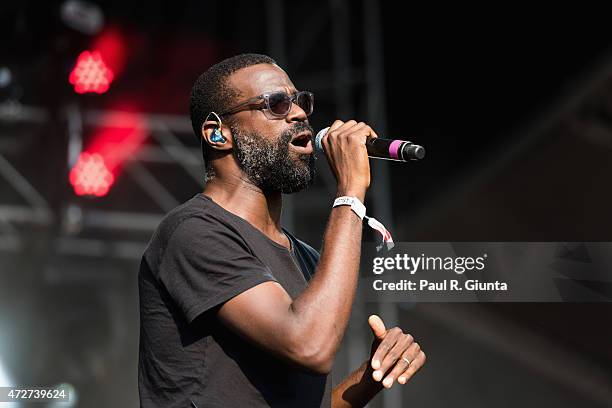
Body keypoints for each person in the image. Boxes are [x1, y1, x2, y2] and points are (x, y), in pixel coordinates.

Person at [138, 53, 426, 408]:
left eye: (301, 101)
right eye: (277, 104)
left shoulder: (305, 259)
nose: (300, 113)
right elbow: (309, 346)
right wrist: (350, 191)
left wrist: (369, 378)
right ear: (218, 133)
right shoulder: (192, 232)